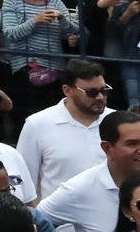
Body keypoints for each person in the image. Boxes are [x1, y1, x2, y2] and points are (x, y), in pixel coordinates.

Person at [18, 59, 115, 199]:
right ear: (67, 90)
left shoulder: (116, 120)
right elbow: (25, 180)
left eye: (104, 90)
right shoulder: (37, 124)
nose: (100, 97)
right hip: (57, 218)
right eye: (91, 92)